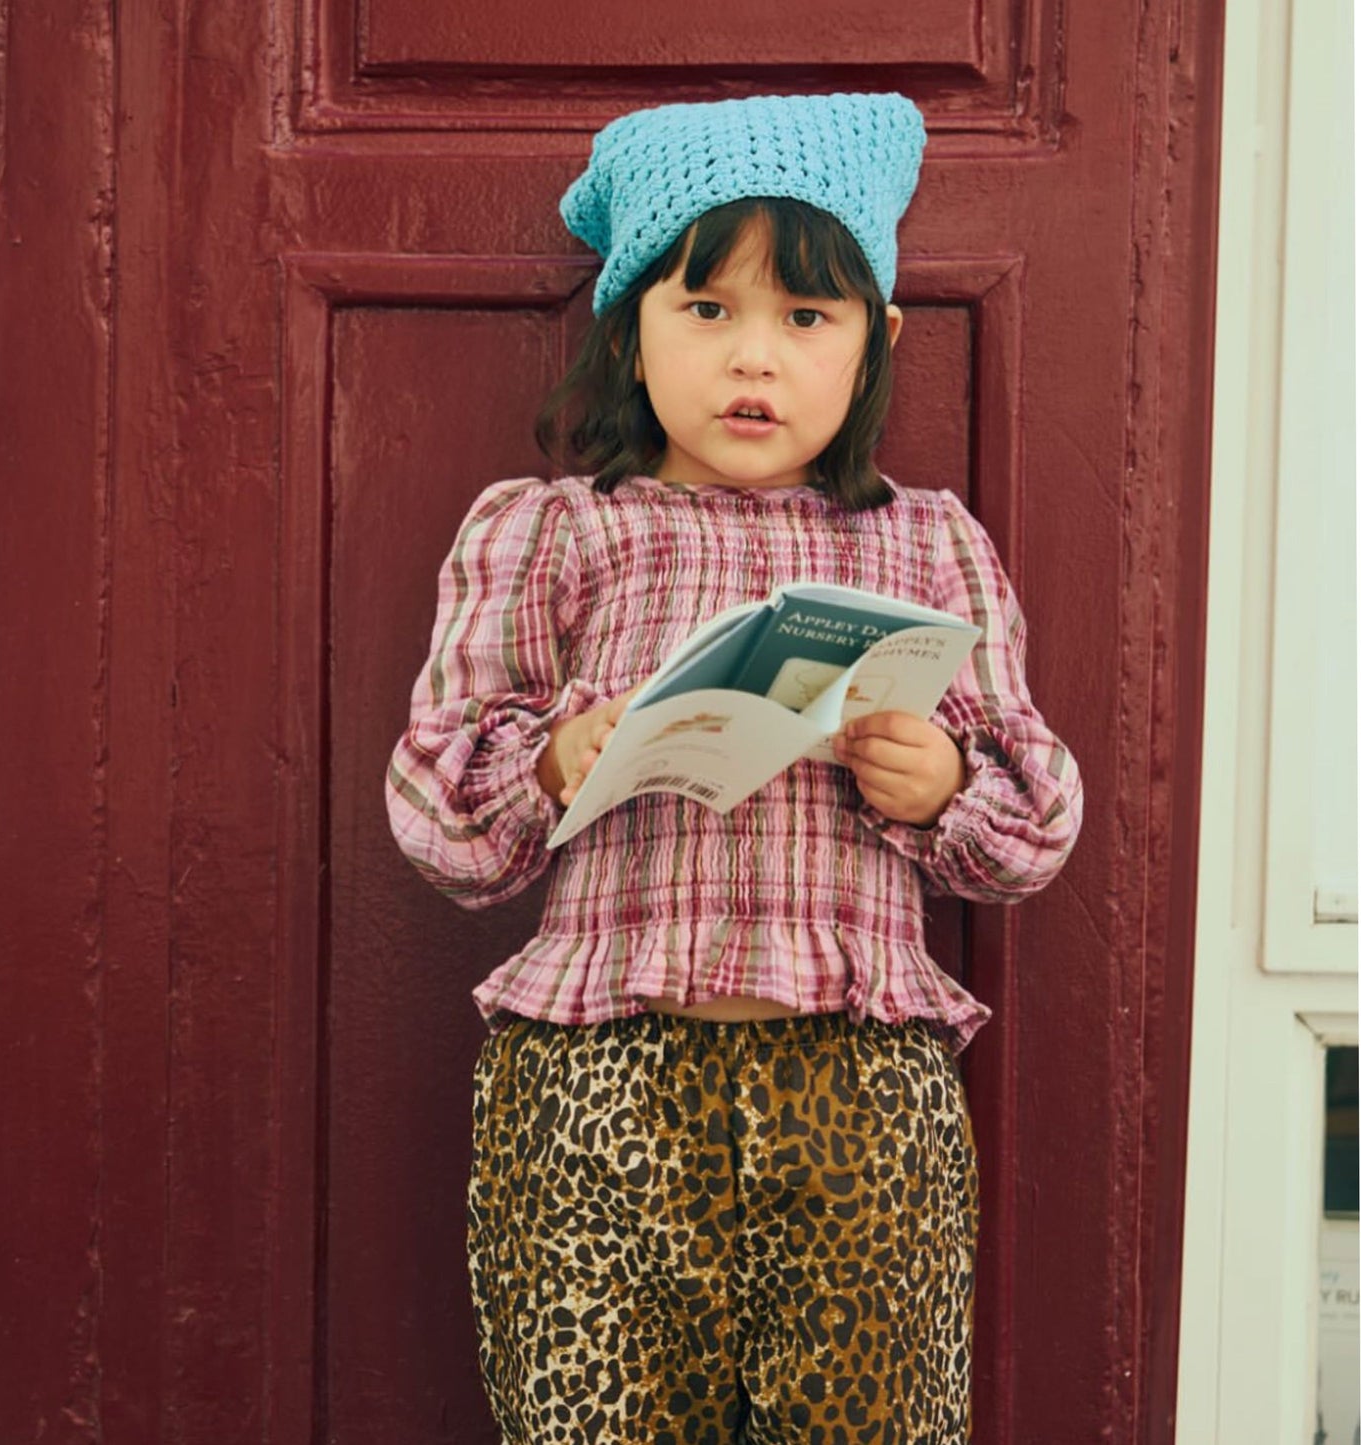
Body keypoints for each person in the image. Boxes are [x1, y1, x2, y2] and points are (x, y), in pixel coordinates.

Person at [386, 92, 1083, 1445]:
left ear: (874, 342)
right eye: (706, 309)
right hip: (599, 1094)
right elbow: (435, 809)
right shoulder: (551, 531)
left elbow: (1037, 821)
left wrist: (944, 784)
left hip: (861, 1105)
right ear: (629, 327)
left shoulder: (927, 544)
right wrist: (554, 761)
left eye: (805, 317)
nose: (752, 356)